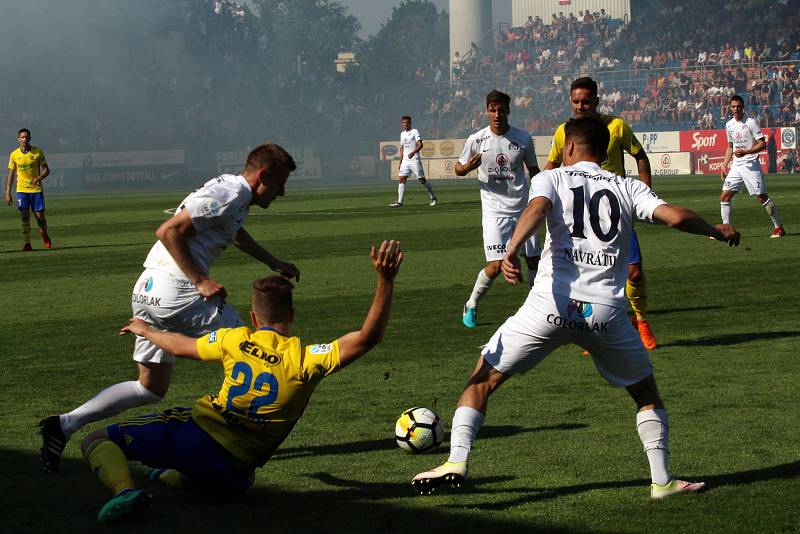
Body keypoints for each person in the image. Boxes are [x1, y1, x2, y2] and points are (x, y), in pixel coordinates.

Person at [412, 117, 741, 499]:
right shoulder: (627, 186)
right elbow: (675, 217)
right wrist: (716, 231)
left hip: (549, 305)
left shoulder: (552, 178)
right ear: (604, 151)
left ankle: (457, 460)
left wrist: (514, 249)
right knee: (645, 394)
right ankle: (662, 481)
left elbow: (536, 209)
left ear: (569, 147)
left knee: (483, 378)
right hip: (605, 314)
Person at [78, 240, 402, 522]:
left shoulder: (234, 339)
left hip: (195, 438)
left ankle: (124, 492)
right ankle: (170, 474)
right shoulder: (306, 360)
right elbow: (366, 338)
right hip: (233, 475)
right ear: (291, 315)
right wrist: (385, 280)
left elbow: (180, 346)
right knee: (204, 474)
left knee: (96, 439)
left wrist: (145, 329)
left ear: (253, 314)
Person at [39, 143, 302, 473]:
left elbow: (232, 231)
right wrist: (200, 281)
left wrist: (273, 261)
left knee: (149, 388)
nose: (282, 193)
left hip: (148, 288)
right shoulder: (232, 193)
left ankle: (62, 425)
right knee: (253, 351)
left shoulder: (232, 194)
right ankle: (233, 438)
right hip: (177, 291)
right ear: (263, 175)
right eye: (280, 184)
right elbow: (168, 231)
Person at [545, 77, 657, 350]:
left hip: (616, 214)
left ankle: (640, 320)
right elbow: (552, 165)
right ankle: (591, 329)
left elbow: (640, 156)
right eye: (575, 101)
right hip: (581, 216)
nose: (580, 106)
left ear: (596, 100)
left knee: (634, 273)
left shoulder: (616, 126)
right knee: (586, 273)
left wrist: (645, 192)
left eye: (585, 101)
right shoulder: (564, 132)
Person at [457, 89, 541, 329]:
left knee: (534, 261)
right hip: (494, 213)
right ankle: (471, 304)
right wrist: (466, 169)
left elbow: (533, 171)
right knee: (495, 266)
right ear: (486, 111)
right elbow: (458, 168)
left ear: (508, 111)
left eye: (501, 110)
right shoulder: (476, 140)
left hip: (523, 210)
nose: (496, 114)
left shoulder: (523, 138)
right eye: (492, 110)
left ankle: (536, 312)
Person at [720, 95, 785, 238]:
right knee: (725, 197)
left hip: (751, 164)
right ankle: (727, 230)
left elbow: (762, 143)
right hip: (736, 167)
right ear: (730, 108)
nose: (736, 109)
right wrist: (724, 165)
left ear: (743, 107)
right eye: (733, 106)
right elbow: (730, 146)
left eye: (738, 106)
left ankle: (778, 227)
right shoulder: (729, 125)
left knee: (762, 197)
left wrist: (746, 152)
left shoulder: (750, 122)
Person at [5, 128, 52, 250]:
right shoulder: (14, 154)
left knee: (40, 217)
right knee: (24, 215)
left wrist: (39, 177)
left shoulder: (37, 152)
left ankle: (43, 232)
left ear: (30, 138)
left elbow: (47, 170)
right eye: (22, 137)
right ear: (18, 139)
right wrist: (8, 193)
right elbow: (11, 174)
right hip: (21, 190)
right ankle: (27, 243)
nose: (25, 139)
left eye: (27, 137)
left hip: (36, 190)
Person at [390, 116, 437, 207]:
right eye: (404, 122)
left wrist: (413, 152)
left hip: (414, 160)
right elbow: (402, 148)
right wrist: (400, 161)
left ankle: (433, 197)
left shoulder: (414, 131)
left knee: (422, 180)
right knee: (401, 179)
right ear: (402, 124)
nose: (405, 124)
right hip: (405, 161)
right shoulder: (402, 134)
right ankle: (400, 202)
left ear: (410, 123)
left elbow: (420, 144)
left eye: (407, 122)